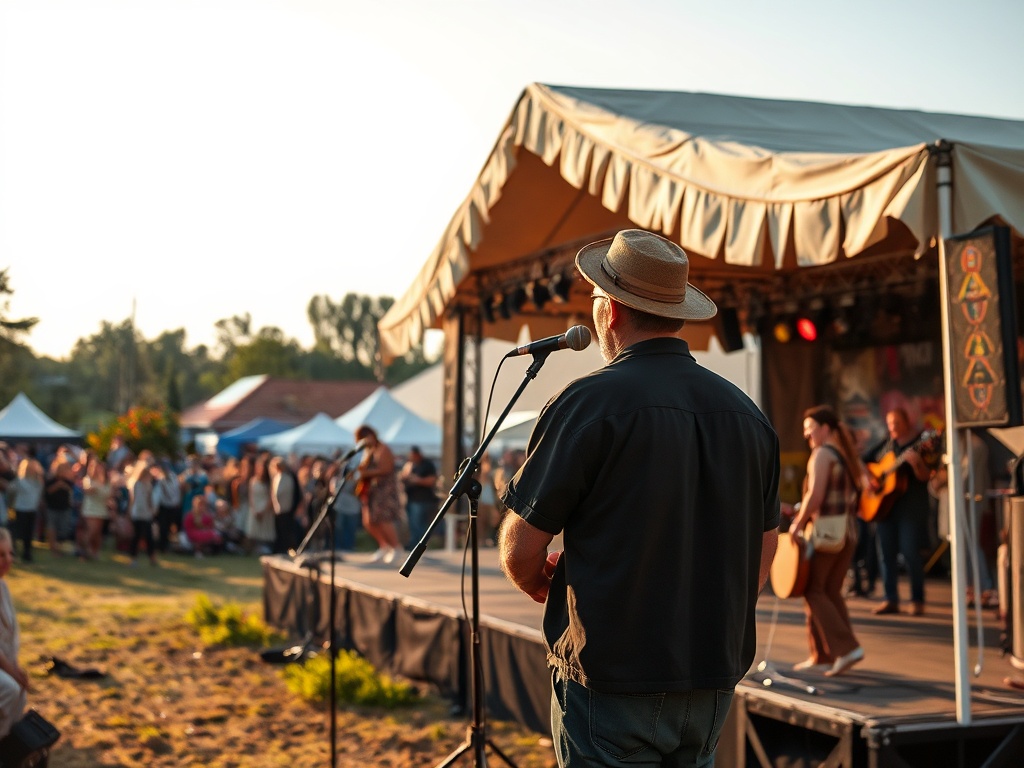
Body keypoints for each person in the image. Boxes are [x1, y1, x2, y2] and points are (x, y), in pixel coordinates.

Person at [498, 229, 780, 768]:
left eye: (595, 298)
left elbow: (522, 547)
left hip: (613, 675)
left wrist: (534, 579)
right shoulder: (748, 414)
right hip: (711, 677)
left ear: (611, 313)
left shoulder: (589, 402)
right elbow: (762, 559)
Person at [786, 405, 865, 676]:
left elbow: (815, 496)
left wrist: (797, 524)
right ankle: (822, 654)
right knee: (829, 590)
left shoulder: (821, 454)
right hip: (848, 531)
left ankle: (845, 649)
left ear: (825, 429)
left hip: (827, 534)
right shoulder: (844, 455)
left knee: (814, 590)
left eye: (810, 432)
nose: (808, 438)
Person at [866, 407, 932, 616]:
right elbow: (863, 462)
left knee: (911, 553)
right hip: (885, 508)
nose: (892, 427)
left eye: (896, 423)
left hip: (911, 509)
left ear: (907, 422)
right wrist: (868, 479)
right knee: (886, 554)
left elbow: (926, 477)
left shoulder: (922, 444)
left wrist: (917, 464)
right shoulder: (887, 444)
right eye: (890, 423)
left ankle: (917, 599)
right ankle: (890, 598)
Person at [354, 425, 404, 564]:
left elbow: (386, 469)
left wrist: (365, 473)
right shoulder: (370, 451)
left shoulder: (384, 449)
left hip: (384, 490)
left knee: (383, 519)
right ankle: (384, 546)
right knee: (369, 521)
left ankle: (396, 547)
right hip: (372, 490)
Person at [0, 528, 29, 739]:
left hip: (5, 662)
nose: (8, 559)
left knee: (20, 691)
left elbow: (9, 636)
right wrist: (11, 671)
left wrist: (16, 668)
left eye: (10, 553)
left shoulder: (3, 587)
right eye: (1, 554)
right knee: (10, 688)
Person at [399, 445, 437, 549]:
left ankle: (419, 546)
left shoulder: (427, 465)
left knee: (418, 524)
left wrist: (417, 480)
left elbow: (432, 480)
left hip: (422, 499)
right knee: (412, 524)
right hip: (411, 498)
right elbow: (403, 478)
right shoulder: (410, 465)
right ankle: (413, 544)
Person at [8, 458, 44, 563]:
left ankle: (27, 553)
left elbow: (39, 494)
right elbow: (10, 491)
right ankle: (13, 551)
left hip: (31, 510)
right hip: (20, 509)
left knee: (29, 533)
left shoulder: (37, 482)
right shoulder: (19, 481)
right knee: (16, 531)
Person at [80, 457, 113, 560]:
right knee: (91, 532)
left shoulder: (106, 481)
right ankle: (84, 552)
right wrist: (99, 487)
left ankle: (94, 552)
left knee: (97, 533)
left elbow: (108, 494)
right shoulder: (88, 479)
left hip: (101, 509)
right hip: (90, 509)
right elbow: (89, 490)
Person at [126, 460, 158, 566]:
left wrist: (152, 509)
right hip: (137, 513)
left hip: (146, 514)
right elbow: (132, 500)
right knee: (137, 536)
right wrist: (130, 512)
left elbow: (149, 499)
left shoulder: (148, 485)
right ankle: (134, 558)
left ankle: (152, 557)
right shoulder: (136, 484)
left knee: (149, 536)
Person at [245, 454, 276, 555]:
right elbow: (251, 497)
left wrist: (264, 510)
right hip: (255, 508)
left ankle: (265, 549)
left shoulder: (270, 482)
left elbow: (272, 498)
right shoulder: (253, 480)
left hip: (265, 509)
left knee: (265, 532)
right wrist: (254, 510)